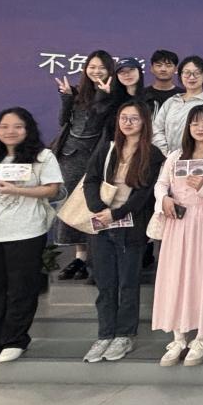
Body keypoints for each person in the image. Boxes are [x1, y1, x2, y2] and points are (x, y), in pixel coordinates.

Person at [0, 108, 63, 367]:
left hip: (25, 231)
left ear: (28, 129)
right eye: (4, 126)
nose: (10, 131)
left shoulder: (42, 157)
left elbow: (52, 190)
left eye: (17, 126)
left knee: (21, 288)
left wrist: (17, 190)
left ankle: (15, 340)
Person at [152, 105, 203, 366]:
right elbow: (161, 184)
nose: (200, 128)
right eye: (195, 123)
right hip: (178, 224)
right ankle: (178, 337)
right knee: (176, 278)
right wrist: (164, 199)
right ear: (188, 127)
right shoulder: (176, 156)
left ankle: (201, 338)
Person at [82, 101, 165, 363]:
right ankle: (104, 334)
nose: (128, 123)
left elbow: (144, 194)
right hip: (101, 224)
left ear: (144, 123)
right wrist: (99, 209)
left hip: (131, 226)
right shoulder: (108, 148)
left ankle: (124, 335)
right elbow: (91, 179)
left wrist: (116, 214)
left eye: (134, 118)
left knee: (128, 283)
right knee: (105, 283)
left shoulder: (153, 154)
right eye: (123, 118)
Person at [52, 49, 116, 280]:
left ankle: (94, 258)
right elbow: (63, 121)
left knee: (92, 203)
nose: (96, 71)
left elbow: (96, 120)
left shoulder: (112, 94)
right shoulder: (76, 92)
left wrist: (104, 96)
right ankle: (79, 257)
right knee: (70, 204)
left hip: (96, 156)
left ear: (109, 70)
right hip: (70, 155)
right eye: (92, 67)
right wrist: (67, 97)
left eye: (102, 67)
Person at [152, 55, 203, 155]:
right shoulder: (171, 102)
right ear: (180, 75)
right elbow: (157, 130)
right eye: (187, 73)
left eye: (197, 73)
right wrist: (166, 154)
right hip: (167, 158)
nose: (191, 77)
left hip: (197, 159)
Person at [146, 49, 183, 116]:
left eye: (168, 66)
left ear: (176, 69)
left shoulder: (183, 95)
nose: (163, 69)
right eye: (159, 65)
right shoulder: (142, 94)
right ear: (152, 69)